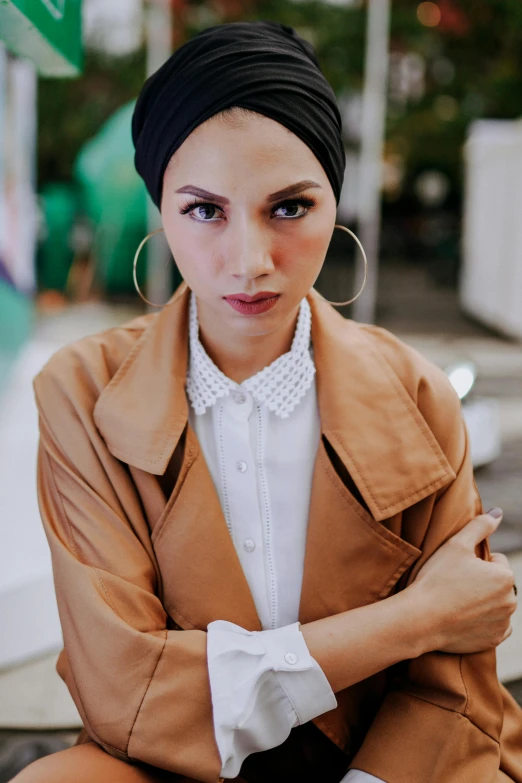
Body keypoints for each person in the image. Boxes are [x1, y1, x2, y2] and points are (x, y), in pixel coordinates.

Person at [15, 20, 522, 783]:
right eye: (204, 210)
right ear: (161, 208)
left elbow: (454, 698)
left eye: (288, 207)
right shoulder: (81, 391)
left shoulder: (416, 391)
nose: (249, 262)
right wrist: (415, 616)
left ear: (333, 204)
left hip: (378, 763)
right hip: (170, 763)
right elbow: (127, 690)